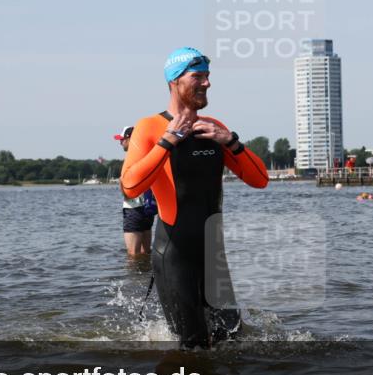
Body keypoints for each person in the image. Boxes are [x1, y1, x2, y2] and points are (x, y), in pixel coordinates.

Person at [120, 47, 268, 348]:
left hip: (214, 257)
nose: (207, 83)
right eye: (197, 76)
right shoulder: (150, 128)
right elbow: (130, 187)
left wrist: (230, 141)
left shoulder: (214, 128)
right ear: (175, 81)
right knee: (193, 347)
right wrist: (166, 142)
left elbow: (260, 180)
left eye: (208, 76)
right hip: (175, 254)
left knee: (234, 343)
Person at [114, 126, 155, 256]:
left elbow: (126, 189)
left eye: (122, 139)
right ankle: (148, 275)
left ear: (129, 139)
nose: (120, 142)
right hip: (149, 207)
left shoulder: (131, 159)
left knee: (133, 255)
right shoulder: (148, 155)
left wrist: (121, 185)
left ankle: (133, 277)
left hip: (133, 208)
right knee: (146, 252)